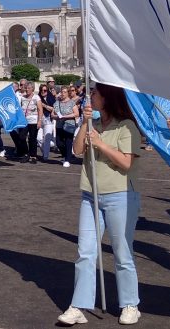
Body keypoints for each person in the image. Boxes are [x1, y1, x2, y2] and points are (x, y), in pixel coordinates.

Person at [57, 83, 142, 326]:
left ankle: (130, 304)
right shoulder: (91, 124)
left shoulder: (127, 126)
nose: (90, 96)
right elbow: (75, 150)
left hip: (121, 196)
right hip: (90, 195)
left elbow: (126, 163)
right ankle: (79, 305)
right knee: (85, 252)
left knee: (122, 253)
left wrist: (102, 144)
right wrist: (85, 124)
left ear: (108, 97)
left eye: (94, 93)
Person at [54, 87, 80, 168]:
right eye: (62, 92)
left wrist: (65, 116)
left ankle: (67, 160)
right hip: (59, 124)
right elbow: (52, 114)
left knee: (68, 142)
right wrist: (57, 117)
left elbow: (76, 114)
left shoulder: (72, 102)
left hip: (69, 124)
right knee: (59, 142)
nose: (63, 93)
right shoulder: (57, 103)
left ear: (68, 93)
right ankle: (66, 155)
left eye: (65, 92)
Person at [39, 83, 57, 162]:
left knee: (47, 138)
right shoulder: (37, 97)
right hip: (39, 119)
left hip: (48, 120)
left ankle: (45, 156)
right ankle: (46, 150)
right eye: (41, 90)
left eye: (45, 90)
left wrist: (44, 105)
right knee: (39, 138)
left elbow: (54, 109)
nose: (43, 92)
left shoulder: (51, 98)